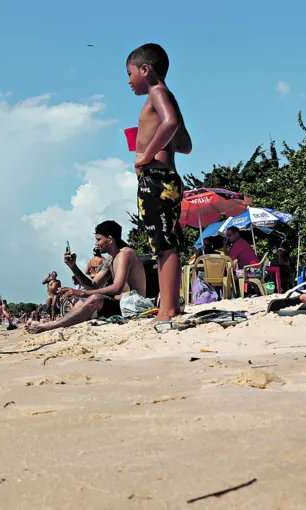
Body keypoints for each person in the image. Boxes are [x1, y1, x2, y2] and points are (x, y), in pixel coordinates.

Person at [127, 43, 191, 323]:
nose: (128, 81)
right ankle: (168, 306)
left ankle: (169, 309)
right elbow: (185, 144)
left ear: (145, 69)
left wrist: (146, 154)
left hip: (156, 178)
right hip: (169, 179)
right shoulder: (167, 96)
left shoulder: (157, 93)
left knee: (164, 245)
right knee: (165, 242)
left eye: (129, 74)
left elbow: (170, 123)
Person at [26, 220, 148, 334]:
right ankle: (54, 323)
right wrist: (73, 266)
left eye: (99, 239)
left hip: (132, 306)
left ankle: (48, 327)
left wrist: (82, 293)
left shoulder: (125, 254)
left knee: (94, 297)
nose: (96, 243)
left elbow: (117, 287)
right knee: (83, 299)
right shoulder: (111, 259)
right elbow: (93, 285)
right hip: (119, 304)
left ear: (110, 239)